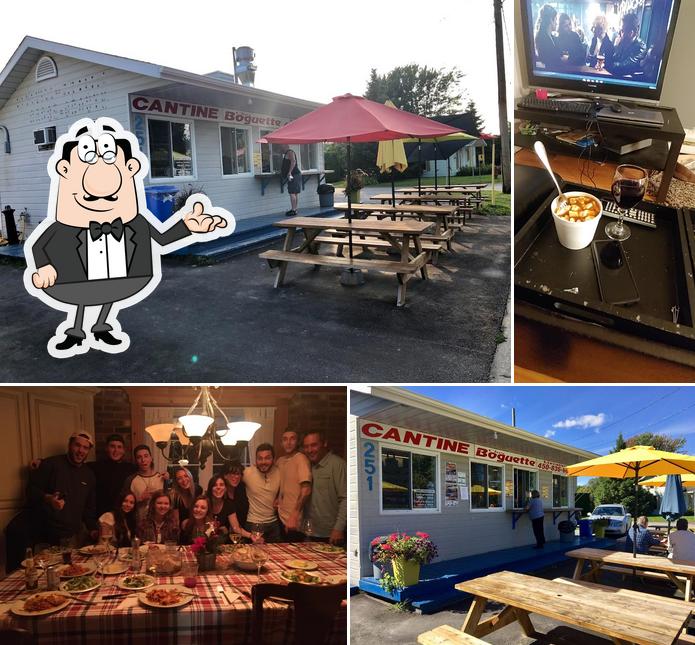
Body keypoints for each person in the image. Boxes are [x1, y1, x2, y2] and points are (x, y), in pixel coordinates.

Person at [24, 118, 230, 357]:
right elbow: (39, 245)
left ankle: (101, 326)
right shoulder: (62, 228)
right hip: (73, 280)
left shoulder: (135, 222)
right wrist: (44, 266)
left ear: (130, 169)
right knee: (84, 297)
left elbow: (162, 239)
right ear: (65, 171)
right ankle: (76, 331)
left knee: (108, 293)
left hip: (124, 276)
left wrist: (187, 226)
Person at [26, 431, 98, 546]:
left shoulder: (89, 475)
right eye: (77, 445)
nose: (81, 451)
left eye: (85, 448)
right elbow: (31, 491)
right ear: (70, 445)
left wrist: (93, 529)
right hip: (46, 535)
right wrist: (49, 498)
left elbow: (89, 509)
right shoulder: (50, 464)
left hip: (73, 536)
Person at [302, 431, 346, 545]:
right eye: (306, 446)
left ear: (324, 443)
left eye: (314, 445)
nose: (310, 450)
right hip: (308, 532)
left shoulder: (337, 465)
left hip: (330, 534)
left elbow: (346, 499)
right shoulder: (306, 464)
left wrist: (338, 528)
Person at [88, 433, 137, 518]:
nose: (116, 450)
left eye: (119, 447)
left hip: (124, 514)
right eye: (112, 446)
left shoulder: (131, 468)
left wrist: (165, 476)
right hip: (101, 514)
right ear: (106, 448)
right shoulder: (94, 467)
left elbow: (146, 471)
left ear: (123, 450)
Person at [276, 429, 312, 541]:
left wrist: (294, 516)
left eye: (292, 439)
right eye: (285, 439)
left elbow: (306, 489)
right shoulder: (280, 461)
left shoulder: (301, 458)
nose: (289, 442)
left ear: (297, 442)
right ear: (281, 443)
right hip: (280, 516)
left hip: (293, 520)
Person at [243, 443, 282, 542]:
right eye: (260, 458)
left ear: (273, 459)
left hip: (274, 524)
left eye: (267, 458)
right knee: (253, 555)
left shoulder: (279, 472)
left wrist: (279, 497)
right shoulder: (247, 473)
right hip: (253, 524)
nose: (263, 462)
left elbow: (288, 489)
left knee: (276, 555)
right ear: (256, 460)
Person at [124, 445, 168, 523]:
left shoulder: (161, 478)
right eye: (139, 457)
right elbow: (124, 506)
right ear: (136, 461)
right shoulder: (130, 480)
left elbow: (168, 503)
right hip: (138, 523)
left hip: (158, 523)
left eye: (146, 456)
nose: (143, 460)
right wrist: (140, 499)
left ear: (151, 458)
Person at [207, 475, 257, 542]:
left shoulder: (229, 504)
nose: (218, 487)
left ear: (225, 489)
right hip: (204, 541)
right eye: (215, 485)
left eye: (221, 485)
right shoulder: (205, 502)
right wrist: (220, 529)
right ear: (210, 488)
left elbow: (236, 529)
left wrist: (251, 536)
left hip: (222, 543)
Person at [606, 12, 647, 77]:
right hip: (613, 76)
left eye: (624, 30)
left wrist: (609, 65)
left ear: (633, 31)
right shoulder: (622, 41)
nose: (622, 33)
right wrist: (616, 46)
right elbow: (614, 58)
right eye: (622, 30)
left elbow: (626, 66)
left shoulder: (641, 46)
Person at [222, 462, 249, 528]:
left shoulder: (242, 489)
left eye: (238, 474)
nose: (236, 476)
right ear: (225, 475)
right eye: (233, 473)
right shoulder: (220, 492)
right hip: (224, 533)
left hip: (243, 530)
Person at [534, 4, 561, 69]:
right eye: (556, 19)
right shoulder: (542, 38)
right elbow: (548, 60)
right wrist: (561, 59)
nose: (557, 23)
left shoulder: (551, 37)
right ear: (551, 20)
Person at [280, 146, 301, 216]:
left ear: (285, 146)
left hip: (293, 175)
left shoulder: (290, 152)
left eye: (281, 147)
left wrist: (289, 172)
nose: (280, 149)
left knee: (292, 192)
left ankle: (293, 210)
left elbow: (293, 161)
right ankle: (295, 209)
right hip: (294, 175)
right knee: (295, 193)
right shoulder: (287, 153)